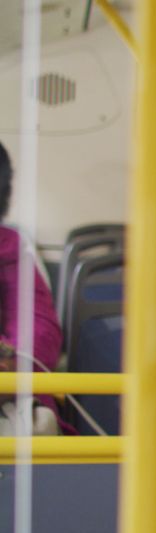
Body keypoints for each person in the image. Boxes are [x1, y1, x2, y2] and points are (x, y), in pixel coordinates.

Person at [0, 141, 65, 435]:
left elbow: (39, 334)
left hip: (10, 396)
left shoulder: (12, 246)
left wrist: (10, 365)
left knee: (41, 426)